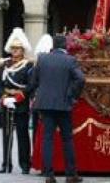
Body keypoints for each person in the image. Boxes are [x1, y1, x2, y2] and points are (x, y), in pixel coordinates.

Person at [29, 34, 85, 183]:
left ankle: (48, 174)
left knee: (47, 139)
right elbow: (81, 79)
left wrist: (34, 95)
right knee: (67, 139)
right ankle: (71, 174)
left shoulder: (42, 59)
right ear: (65, 46)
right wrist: (72, 95)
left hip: (45, 104)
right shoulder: (70, 60)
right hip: (64, 104)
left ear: (52, 46)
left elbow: (33, 81)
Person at [0, 28, 34, 175]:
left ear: (23, 50)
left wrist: (20, 96)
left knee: (22, 135)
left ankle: (25, 164)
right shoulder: (5, 64)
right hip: (7, 102)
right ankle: (6, 164)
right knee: (6, 135)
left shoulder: (28, 65)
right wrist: (3, 97)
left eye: (17, 48)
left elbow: (31, 84)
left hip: (21, 103)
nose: (14, 51)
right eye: (13, 48)